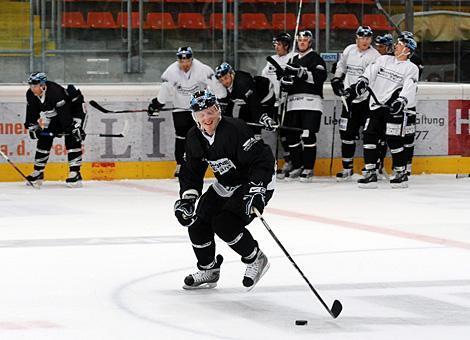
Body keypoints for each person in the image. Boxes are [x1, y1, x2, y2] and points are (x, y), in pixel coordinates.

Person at [174, 89, 275, 290]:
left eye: (210, 112)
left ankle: (255, 258)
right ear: (195, 118)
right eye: (201, 114)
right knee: (197, 222)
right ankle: (209, 270)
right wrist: (187, 199)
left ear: (218, 111)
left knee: (225, 223)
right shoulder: (194, 136)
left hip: (254, 182)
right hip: (227, 183)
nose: (207, 118)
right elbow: (191, 171)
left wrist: (257, 191)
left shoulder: (235, 129)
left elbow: (261, 160)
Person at [345, 33, 419, 188]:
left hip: (393, 108)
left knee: (394, 140)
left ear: (407, 50)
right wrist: (362, 82)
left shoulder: (411, 68)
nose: (396, 45)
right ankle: (370, 172)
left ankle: (400, 172)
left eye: (400, 44)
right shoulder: (383, 59)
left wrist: (402, 100)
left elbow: (409, 86)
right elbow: (370, 71)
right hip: (375, 106)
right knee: (369, 136)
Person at [147, 47, 226, 177]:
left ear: (191, 59)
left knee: (202, 136)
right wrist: (157, 103)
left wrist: (221, 98)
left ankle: (207, 164)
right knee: (181, 137)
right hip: (180, 108)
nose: (184, 64)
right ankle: (180, 165)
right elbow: (165, 90)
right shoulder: (171, 71)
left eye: (187, 61)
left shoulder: (202, 69)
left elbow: (214, 85)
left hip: (198, 110)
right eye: (181, 61)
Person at [331, 26, 381, 181]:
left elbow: (372, 79)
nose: (365, 41)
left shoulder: (375, 56)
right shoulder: (349, 50)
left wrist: (356, 91)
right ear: (356, 38)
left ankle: (372, 167)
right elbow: (341, 66)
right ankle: (347, 168)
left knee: (370, 135)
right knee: (346, 134)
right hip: (348, 101)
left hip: (366, 101)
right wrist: (337, 79)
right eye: (362, 38)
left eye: (368, 38)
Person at [24, 72, 86, 187]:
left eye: (35, 85)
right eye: (31, 85)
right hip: (57, 114)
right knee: (44, 137)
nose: (32, 88)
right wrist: (32, 126)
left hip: (75, 110)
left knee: (72, 138)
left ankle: (75, 173)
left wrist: (73, 129)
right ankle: (38, 172)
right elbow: (32, 112)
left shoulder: (55, 93)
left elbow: (65, 116)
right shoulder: (30, 94)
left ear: (42, 85)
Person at [281, 30, 327, 182]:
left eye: (305, 40)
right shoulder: (292, 59)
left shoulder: (316, 59)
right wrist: (285, 82)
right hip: (293, 104)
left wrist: (301, 72)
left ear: (310, 42)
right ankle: (297, 165)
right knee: (292, 136)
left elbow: (320, 77)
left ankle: (308, 167)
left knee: (308, 135)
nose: (302, 42)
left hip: (311, 104)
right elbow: (287, 82)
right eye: (299, 40)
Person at [261, 32, 295, 179]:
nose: (276, 47)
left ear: (286, 45)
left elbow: (294, 79)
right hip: (273, 101)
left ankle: (292, 161)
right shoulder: (271, 61)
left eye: (279, 44)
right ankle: (285, 161)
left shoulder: (292, 58)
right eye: (275, 44)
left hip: (288, 101)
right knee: (278, 131)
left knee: (288, 133)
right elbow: (264, 80)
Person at [215, 62, 276, 139]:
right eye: (221, 80)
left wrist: (264, 118)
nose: (224, 82)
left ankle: (257, 140)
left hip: (265, 95)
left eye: (226, 78)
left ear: (232, 74)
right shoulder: (226, 86)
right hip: (247, 98)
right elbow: (229, 103)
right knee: (242, 117)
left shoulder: (243, 83)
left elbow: (254, 103)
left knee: (255, 119)